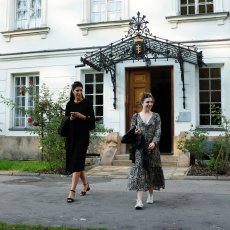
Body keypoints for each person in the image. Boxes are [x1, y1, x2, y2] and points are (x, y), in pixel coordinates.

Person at [127, 92, 165, 209]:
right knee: (140, 172)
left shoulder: (156, 116)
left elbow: (158, 131)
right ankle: (139, 201)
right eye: (147, 102)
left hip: (153, 149)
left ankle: (151, 194)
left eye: (151, 102)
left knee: (151, 172)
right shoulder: (135, 117)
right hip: (140, 149)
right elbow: (131, 132)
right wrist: (136, 132)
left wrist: (154, 142)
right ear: (142, 103)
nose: (150, 104)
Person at [65, 81, 95, 203]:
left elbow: (92, 122)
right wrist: (71, 118)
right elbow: (66, 121)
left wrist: (81, 116)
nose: (79, 92)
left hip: (83, 137)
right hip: (71, 137)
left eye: (80, 90)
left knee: (77, 162)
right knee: (77, 162)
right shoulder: (69, 104)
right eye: (77, 90)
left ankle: (72, 191)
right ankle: (86, 184)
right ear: (72, 91)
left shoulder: (87, 104)